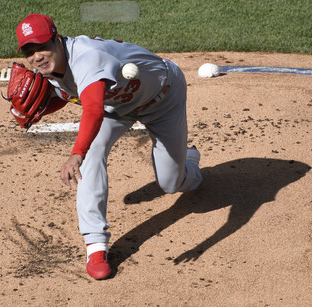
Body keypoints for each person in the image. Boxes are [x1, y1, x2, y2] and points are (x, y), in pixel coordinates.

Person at [14, 14, 203, 279]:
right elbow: (68, 93)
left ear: (57, 39)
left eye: (42, 46)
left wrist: (75, 154)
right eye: (29, 51)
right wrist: (37, 112)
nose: (37, 57)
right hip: (117, 107)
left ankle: (189, 163)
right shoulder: (48, 68)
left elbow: (92, 109)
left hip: (162, 99)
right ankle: (96, 246)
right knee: (91, 154)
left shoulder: (87, 57)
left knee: (172, 183)